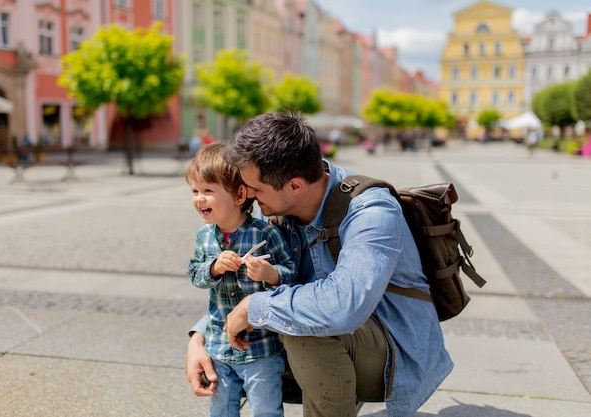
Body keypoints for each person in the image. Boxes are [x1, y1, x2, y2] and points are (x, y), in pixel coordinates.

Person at [186, 112, 453, 417]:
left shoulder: (371, 211)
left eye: (256, 190)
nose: (249, 197)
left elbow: (343, 306)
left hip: (394, 350)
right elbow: (242, 286)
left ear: (295, 186)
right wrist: (199, 338)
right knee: (284, 314)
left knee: (298, 324)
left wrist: (253, 307)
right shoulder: (275, 201)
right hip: (338, 339)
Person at [186, 142, 297, 417]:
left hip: (262, 347)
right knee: (221, 409)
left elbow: (290, 275)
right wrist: (213, 268)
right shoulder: (205, 236)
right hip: (219, 346)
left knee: (266, 410)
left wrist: (269, 274)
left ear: (239, 196)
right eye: (195, 191)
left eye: (208, 191)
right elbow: (194, 274)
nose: (200, 198)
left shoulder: (264, 234)